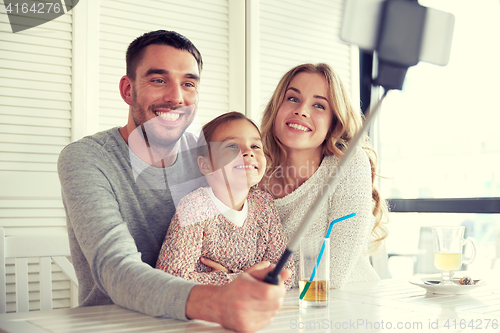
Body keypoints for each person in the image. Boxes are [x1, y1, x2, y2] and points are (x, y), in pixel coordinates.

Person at [57, 30, 290, 333]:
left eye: (188, 84)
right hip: (117, 324)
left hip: (200, 325)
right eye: (158, 80)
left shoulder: (209, 154)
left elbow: (257, 196)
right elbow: (116, 269)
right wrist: (222, 296)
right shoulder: (87, 159)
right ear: (128, 90)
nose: (176, 97)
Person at [259, 63, 389, 288]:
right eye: (292, 98)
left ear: (333, 122)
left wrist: (246, 275)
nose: (301, 110)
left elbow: (332, 273)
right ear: (276, 107)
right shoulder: (251, 172)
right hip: (279, 309)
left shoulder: (348, 164)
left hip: (350, 307)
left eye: (319, 105)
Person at [156, 112, 294, 289]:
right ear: (206, 165)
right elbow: (169, 277)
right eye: (232, 146)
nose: (248, 153)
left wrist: (234, 278)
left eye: (255, 146)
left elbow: (286, 271)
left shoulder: (264, 204)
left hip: (251, 309)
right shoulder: (195, 207)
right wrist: (236, 280)